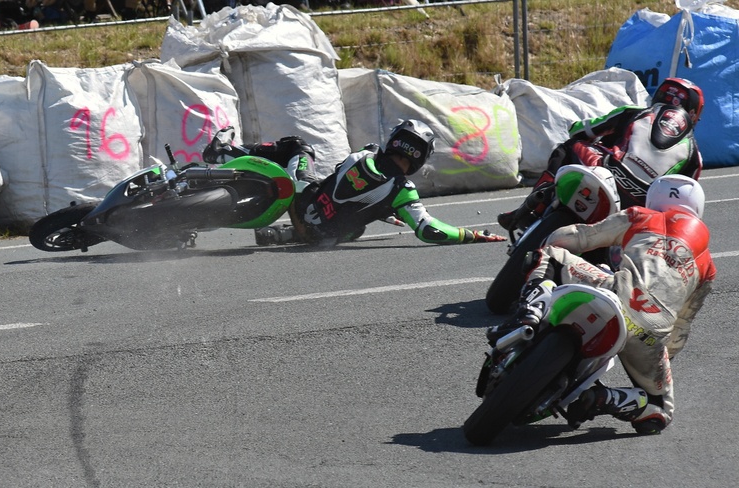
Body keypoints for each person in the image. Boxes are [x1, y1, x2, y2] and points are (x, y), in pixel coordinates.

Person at [488, 174, 715, 435]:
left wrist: (549, 241)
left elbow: (579, 237)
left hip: (616, 291)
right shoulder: (708, 266)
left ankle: (530, 312)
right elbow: (683, 324)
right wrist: (660, 354)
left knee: (549, 255)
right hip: (652, 332)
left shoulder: (642, 216)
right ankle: (605, 398)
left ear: (653, 198)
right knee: (660, 412)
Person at [498, 77, 705, 233]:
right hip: (640, 207)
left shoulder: (634, 112)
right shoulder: (695, 156)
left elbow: (580, 130)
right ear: (694, 113)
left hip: (608, 172)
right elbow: (682, 203)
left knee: (569, 146)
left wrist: (584, 133)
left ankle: (533, 206)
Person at [255, 119, 506, 247]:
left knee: (299, 147)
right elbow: (429, 230)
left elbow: (342, 180)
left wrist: (383, 209)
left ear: (394, 139)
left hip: (303, 204)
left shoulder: (367, 151)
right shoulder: (401, 190)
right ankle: (286, 234)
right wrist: (471, 235)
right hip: (319, 237)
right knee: (356, 228)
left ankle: (236, 151)